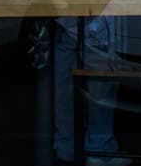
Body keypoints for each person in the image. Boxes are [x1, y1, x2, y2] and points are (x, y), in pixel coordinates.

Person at [53, 15, 131, 166]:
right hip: (97, 25)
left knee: (65, 89)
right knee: (101, 91)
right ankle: (99, 149)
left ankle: (67, 147)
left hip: (67, 21)